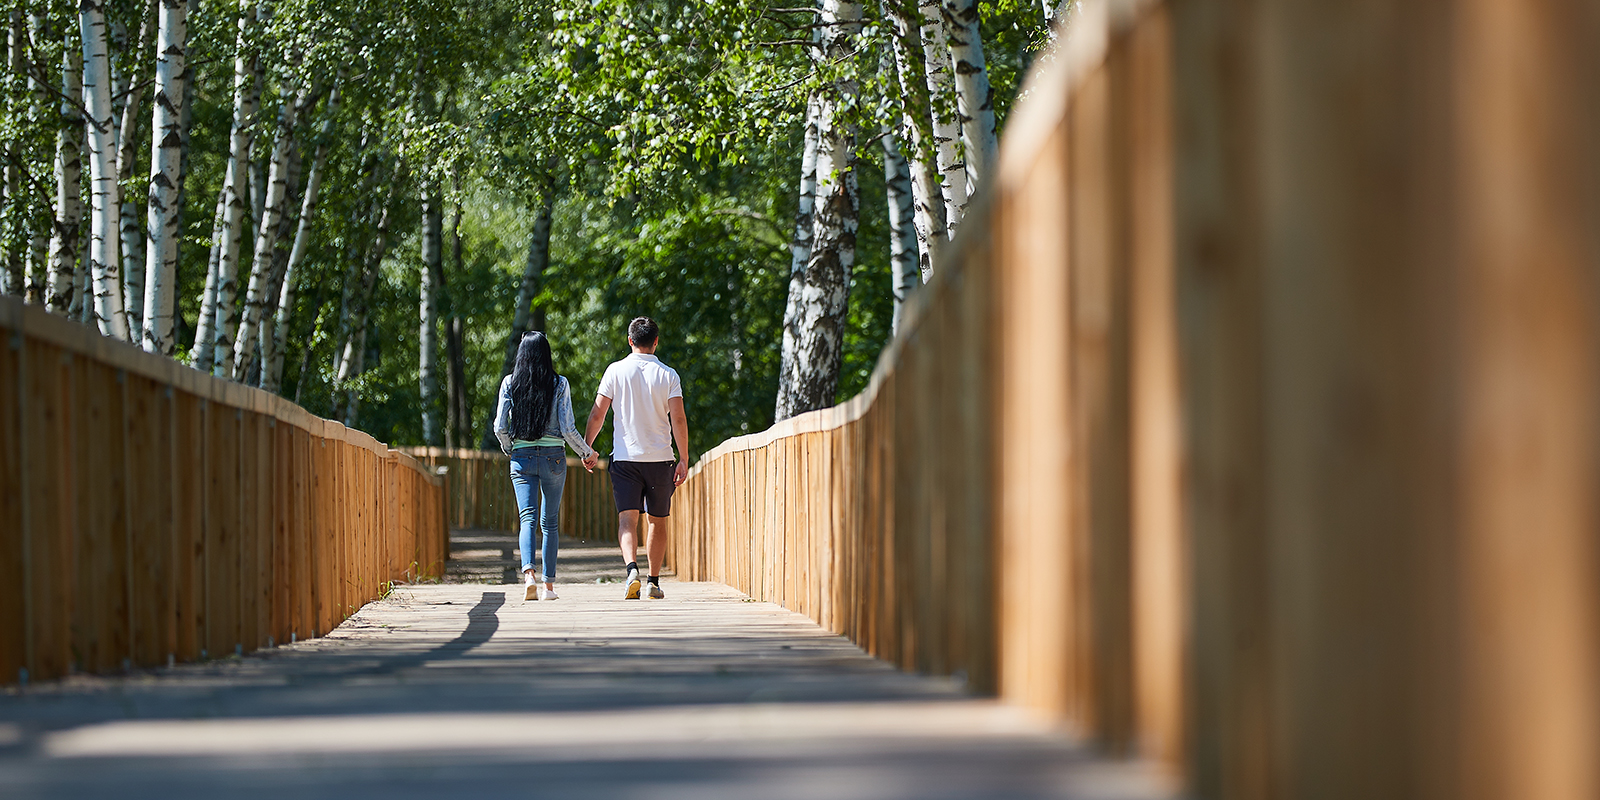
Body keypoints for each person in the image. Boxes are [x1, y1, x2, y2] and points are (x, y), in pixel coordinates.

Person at [584, 317, 689, 600]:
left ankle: (632, 570)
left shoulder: (615, 371)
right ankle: (654, 581)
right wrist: (684, 457)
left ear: (630, 340)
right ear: (656, 341)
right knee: (658, 521)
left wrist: (587, 448)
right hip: (661, 459)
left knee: (627, 521)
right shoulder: (668, 375)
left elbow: (598, 414)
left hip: (625, 459)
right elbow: (678, 418)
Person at [495, 331, 600, 601]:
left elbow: (499, 426)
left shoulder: (510, 383)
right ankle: (548, 587)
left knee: (527, 518)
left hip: (522, 457)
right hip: (554, 456)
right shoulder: (559, 383)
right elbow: (567, 428)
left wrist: (510, 447)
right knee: (550, 522)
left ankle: (528, 574)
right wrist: (586, 453)